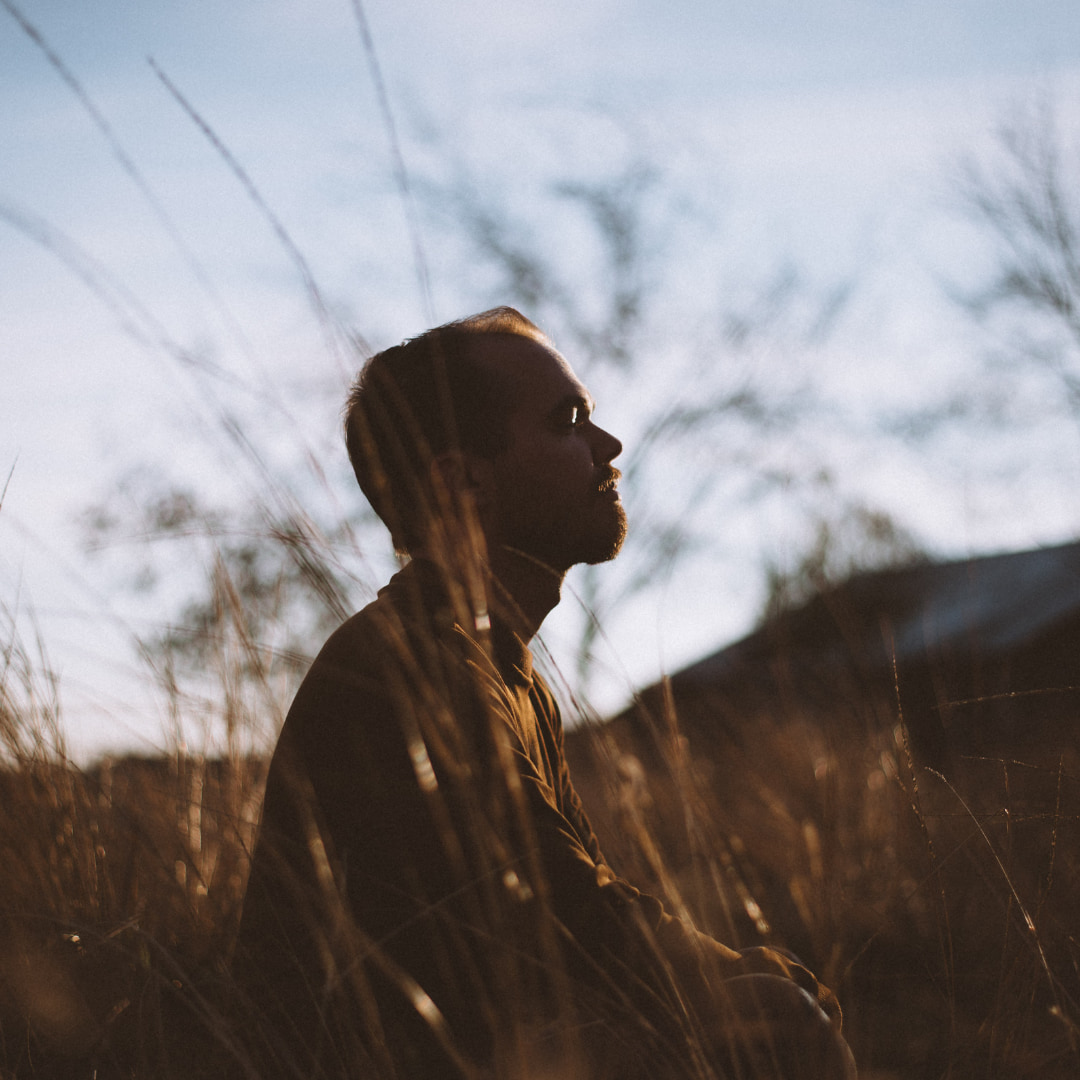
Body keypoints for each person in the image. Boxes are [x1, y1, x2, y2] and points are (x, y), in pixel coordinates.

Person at [232, 308, 856, 1079]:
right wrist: (739, 983)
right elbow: (566, 918)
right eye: (569, 421)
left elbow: (578, 898)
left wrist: (744, 971)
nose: (609, 447)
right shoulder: (415, 672)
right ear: (464, 480)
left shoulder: (503, 667)